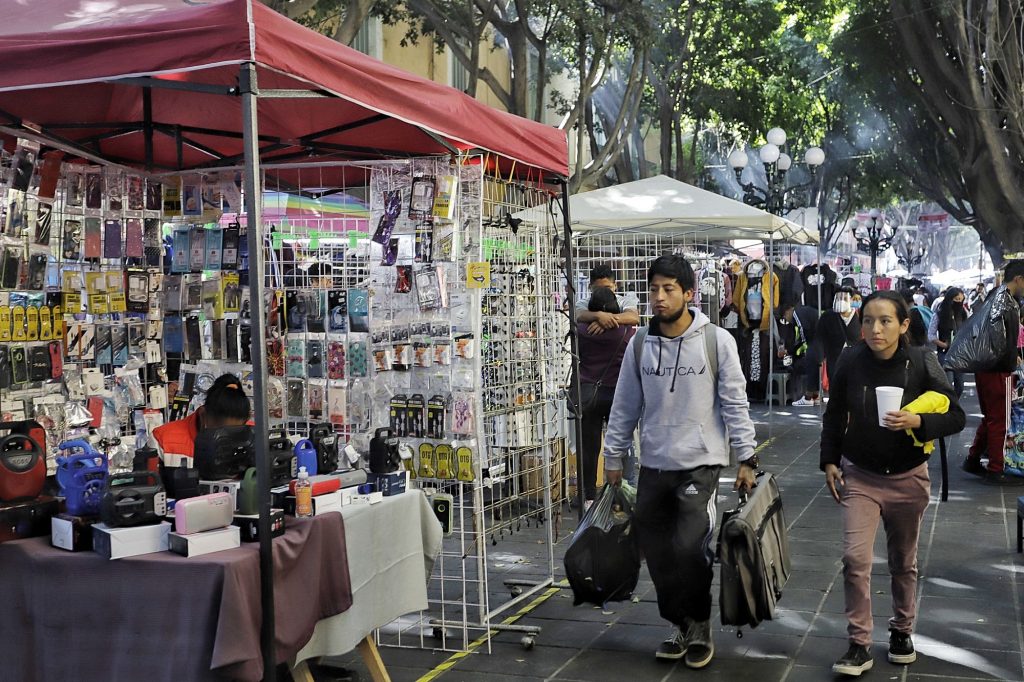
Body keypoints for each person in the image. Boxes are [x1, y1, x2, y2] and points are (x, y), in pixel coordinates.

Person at [601, 255, 757, 669]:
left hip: (700, 464)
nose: (659, 296)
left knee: (690, 548)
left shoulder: (716, 341)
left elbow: (735, 402)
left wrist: (747, 457)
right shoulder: (639, 343)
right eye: (654, 289)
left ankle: (700, 623)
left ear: (689, 294)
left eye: (669, 289)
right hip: (653, 464)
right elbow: (624, 405)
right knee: (658, 553)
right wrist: (612, 455)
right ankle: (679, 624)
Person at [821, 291, 965, 677]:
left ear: (903, 326)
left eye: (885, 321)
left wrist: (919, 422)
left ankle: (902, 630)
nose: (875, 329)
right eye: (868, 320)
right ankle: (859, 643)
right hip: (860, 473)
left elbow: (956, 415)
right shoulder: (851, 358)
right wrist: (829, 461)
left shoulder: (921, 360)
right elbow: (835, 413)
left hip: (908, 477)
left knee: (903, 561)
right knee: (855, 559)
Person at [962, 260, 1024, 485]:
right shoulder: (1006, 302)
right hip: (998, 370)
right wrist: (1012, 360)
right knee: (1000, 419)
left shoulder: (994, 297)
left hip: (986, 368)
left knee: (992, 417)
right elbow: (1000, 340)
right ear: (1018, 279)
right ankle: (996, 468)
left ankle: (974, 457)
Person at [576, 286, 637, 508]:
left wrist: (597, 319)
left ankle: (588, 497)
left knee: (590, 448)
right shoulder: (626, 332)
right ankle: (619, 494)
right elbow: (633, 319)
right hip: (617, 394)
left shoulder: (582, 330)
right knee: (619, 445)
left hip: (588, 394)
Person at [153, 374, 251, 459]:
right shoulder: (163, 439)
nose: (226, 440)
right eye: (221, 432)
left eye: (235, 433)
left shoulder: (255, 437)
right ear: (203, 414)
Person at [813, 288, 863, 391]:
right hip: (834, 357)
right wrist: (820, 355)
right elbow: (819, 337)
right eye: (838, 298)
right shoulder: (827, 316)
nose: (841, 301)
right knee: (835, 386)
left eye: (844, 298)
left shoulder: (860, 316)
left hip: (856, 358)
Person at [575, 263, 640, 336]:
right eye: (598, 289)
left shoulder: (624, 301)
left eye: (607, 288)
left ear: (615, 286)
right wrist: (599, 316)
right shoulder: (583, 303)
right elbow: (578, 314)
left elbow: (633, 317)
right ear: (590, 287)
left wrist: (604, 320)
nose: (603, 291)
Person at [928, 287, 967, 397]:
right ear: (950, 299)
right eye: (956, 299)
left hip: (960, 354)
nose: (959, 302)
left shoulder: (963, 313)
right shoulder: (939, 314)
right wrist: (943, 344)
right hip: (944, 353)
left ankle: (953, 403)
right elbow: (931, 335)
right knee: (947, 384)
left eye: (961, 299)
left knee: (960, 385)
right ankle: (950, 406)